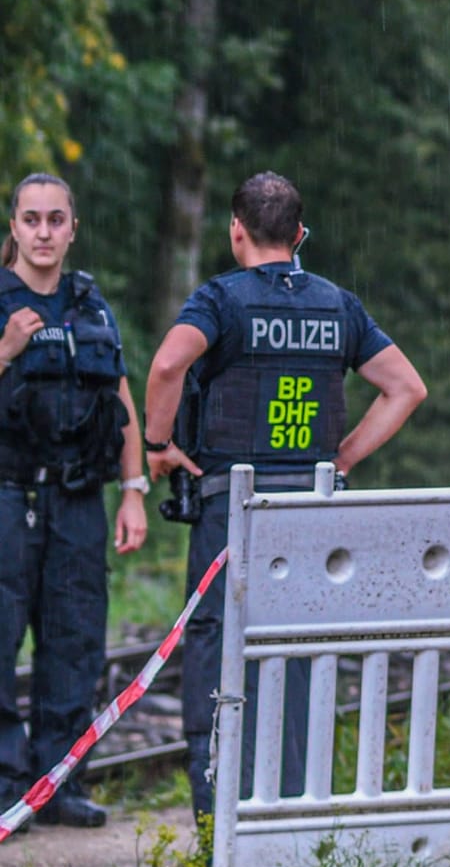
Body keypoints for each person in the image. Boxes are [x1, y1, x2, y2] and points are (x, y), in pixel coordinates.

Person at [144, 172, 427, 819]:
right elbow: (406, 388)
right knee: (293, 655)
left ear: (236, 231)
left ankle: (219, 816)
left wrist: (159, 446)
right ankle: (287, 807)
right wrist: (342, 457)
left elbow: (166, 366)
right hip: (307, 516)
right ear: (299, 235)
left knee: (220, 654)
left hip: (231, 513)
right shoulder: (338, 306)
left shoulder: (220, 300)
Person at [0, 173, 149, 830]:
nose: (42, 232)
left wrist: (134, 491)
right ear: (13, 227)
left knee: (75, 645)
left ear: (72, 228)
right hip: (7, 498)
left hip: (80, 502)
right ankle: (8, 789)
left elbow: (119, 398)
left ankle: (58, 785)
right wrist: (4, 351)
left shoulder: (90, 305)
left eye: (55, 219)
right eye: (30, 219)